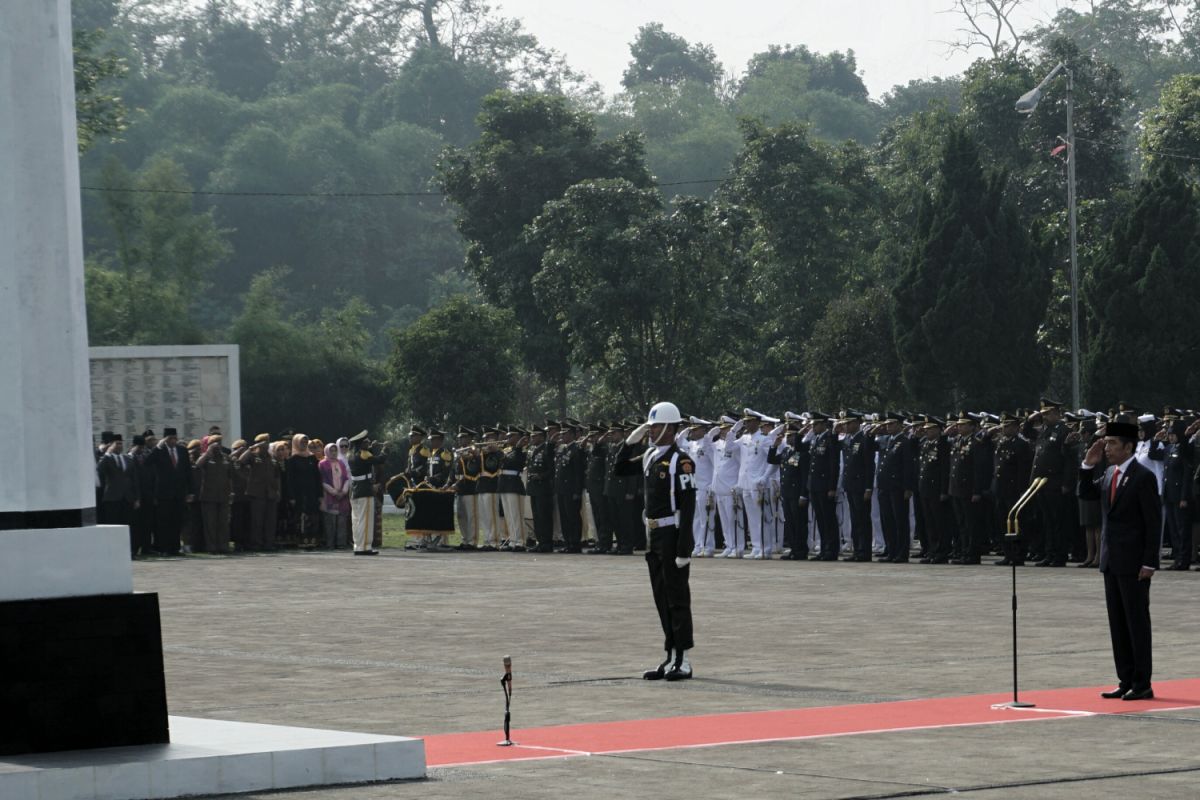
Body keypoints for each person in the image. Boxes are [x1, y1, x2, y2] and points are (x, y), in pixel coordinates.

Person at [614, 402, 697, 682]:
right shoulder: (650, 456)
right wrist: (629, 442)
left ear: (671, 429)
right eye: (650, 427)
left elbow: (688, 507)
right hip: (653, 536)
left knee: (677, 598)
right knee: (661, 597)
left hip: (672, 535)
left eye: (656, 427)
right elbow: (620, 469)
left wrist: (684, 549)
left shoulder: (680, 460)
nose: (651, 431)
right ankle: (670, 654)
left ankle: (683, 659)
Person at [1080, 420, 1162, 702]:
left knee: (1136, 623)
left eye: (1113, 443)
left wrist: (1150, 561)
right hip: (1111, 561)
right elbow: (1086, 494)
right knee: (1117, 623)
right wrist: (1087, 466)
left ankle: (1142, 683)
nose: (1107, 448)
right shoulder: (1108, 474)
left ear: (1129, 447)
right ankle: (1125, 679)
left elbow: (1153, 523)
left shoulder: (1142, 477)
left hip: (1135, 562)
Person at [146, 426, 194, 556]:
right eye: (170, 438)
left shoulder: (182, 450)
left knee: (176, 521)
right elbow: (147, 462)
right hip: (163, 493)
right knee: (164, 522)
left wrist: (190, 491)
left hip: (179, 493)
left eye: (175, 438)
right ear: (165, 439)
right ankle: (164, 548)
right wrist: (157, 448)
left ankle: (175, 548)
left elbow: (188, 472)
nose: (173, 441)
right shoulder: (160, 451)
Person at [195, 435, 232, 554]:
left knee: (223, 523)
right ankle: (211, 547)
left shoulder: (225, 458)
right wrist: (208, 452)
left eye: (220, 443)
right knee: (210, 523)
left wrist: (231, 491)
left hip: (223, 495)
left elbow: (232, 475)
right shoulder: (206, 457)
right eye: (215, 443)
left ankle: (223, 546)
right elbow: (197, 465)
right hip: (208, 496)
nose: (218, 445)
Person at [348, 430, 380, 555]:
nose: (369, 443)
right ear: (361, 444)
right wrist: (385, 450)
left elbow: (364, 458)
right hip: (365, 490)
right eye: (366, 442)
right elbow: (379, 460)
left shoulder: (351, 454)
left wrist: (371, 448)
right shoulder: (364, 453)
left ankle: (358, 545)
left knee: (356, 520)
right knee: (365, 520)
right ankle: (364, 547)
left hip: (355, 489)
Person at [319, 442, 350, 549]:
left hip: (342, 496)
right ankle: (330, 543)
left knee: (342, 521)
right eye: (331, 450)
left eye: (335, 450)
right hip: (329, 496)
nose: (333, 453)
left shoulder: (341, 463)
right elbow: (322, 480)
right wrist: (334, 492)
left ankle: (341, 543)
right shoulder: (322, 464)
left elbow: (346, 478)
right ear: (327, 451)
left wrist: (344, 491)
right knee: (330, 522)